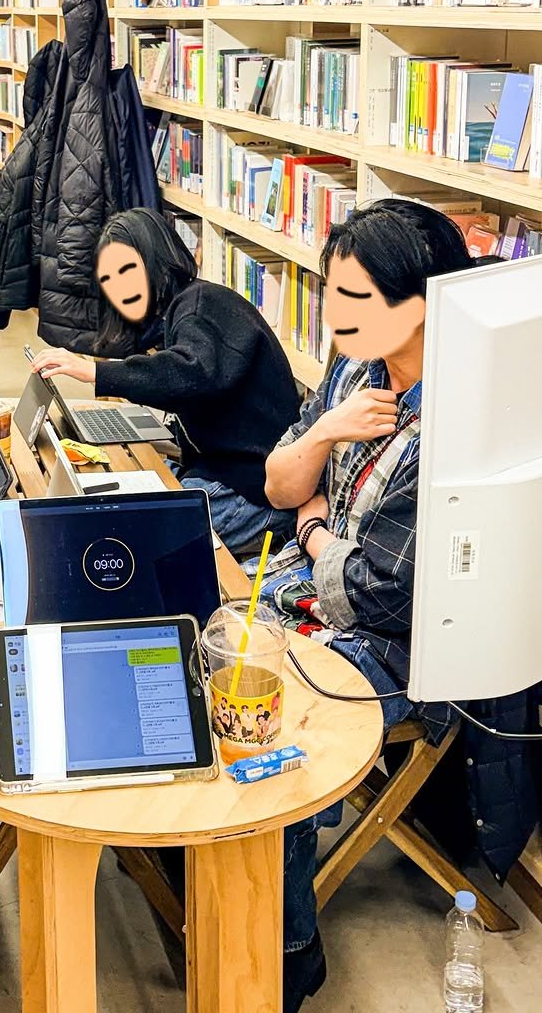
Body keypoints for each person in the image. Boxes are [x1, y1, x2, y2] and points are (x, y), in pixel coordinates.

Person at [263, 198, 474, 1011]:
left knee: (273, 736)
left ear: (424, 303)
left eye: (356, 299)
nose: (334, 315)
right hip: (309, 599)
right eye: (331, 294)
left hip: (401, 647)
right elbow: (280, 486)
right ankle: (203, 868)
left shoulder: (460, 418)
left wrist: (314, 535)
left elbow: (389, 595)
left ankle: (286, 950)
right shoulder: (355, 373)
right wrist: (323, 435)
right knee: (196, 663)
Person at [31, 207, 301, 551]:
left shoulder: (202, 304)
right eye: (108, 280)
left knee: (134, 544)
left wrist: (96, 372)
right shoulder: (180, 311)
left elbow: (190, 373)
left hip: (251, 492)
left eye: (128, 270)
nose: (120, 288)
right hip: (223, 472)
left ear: (157, 259)